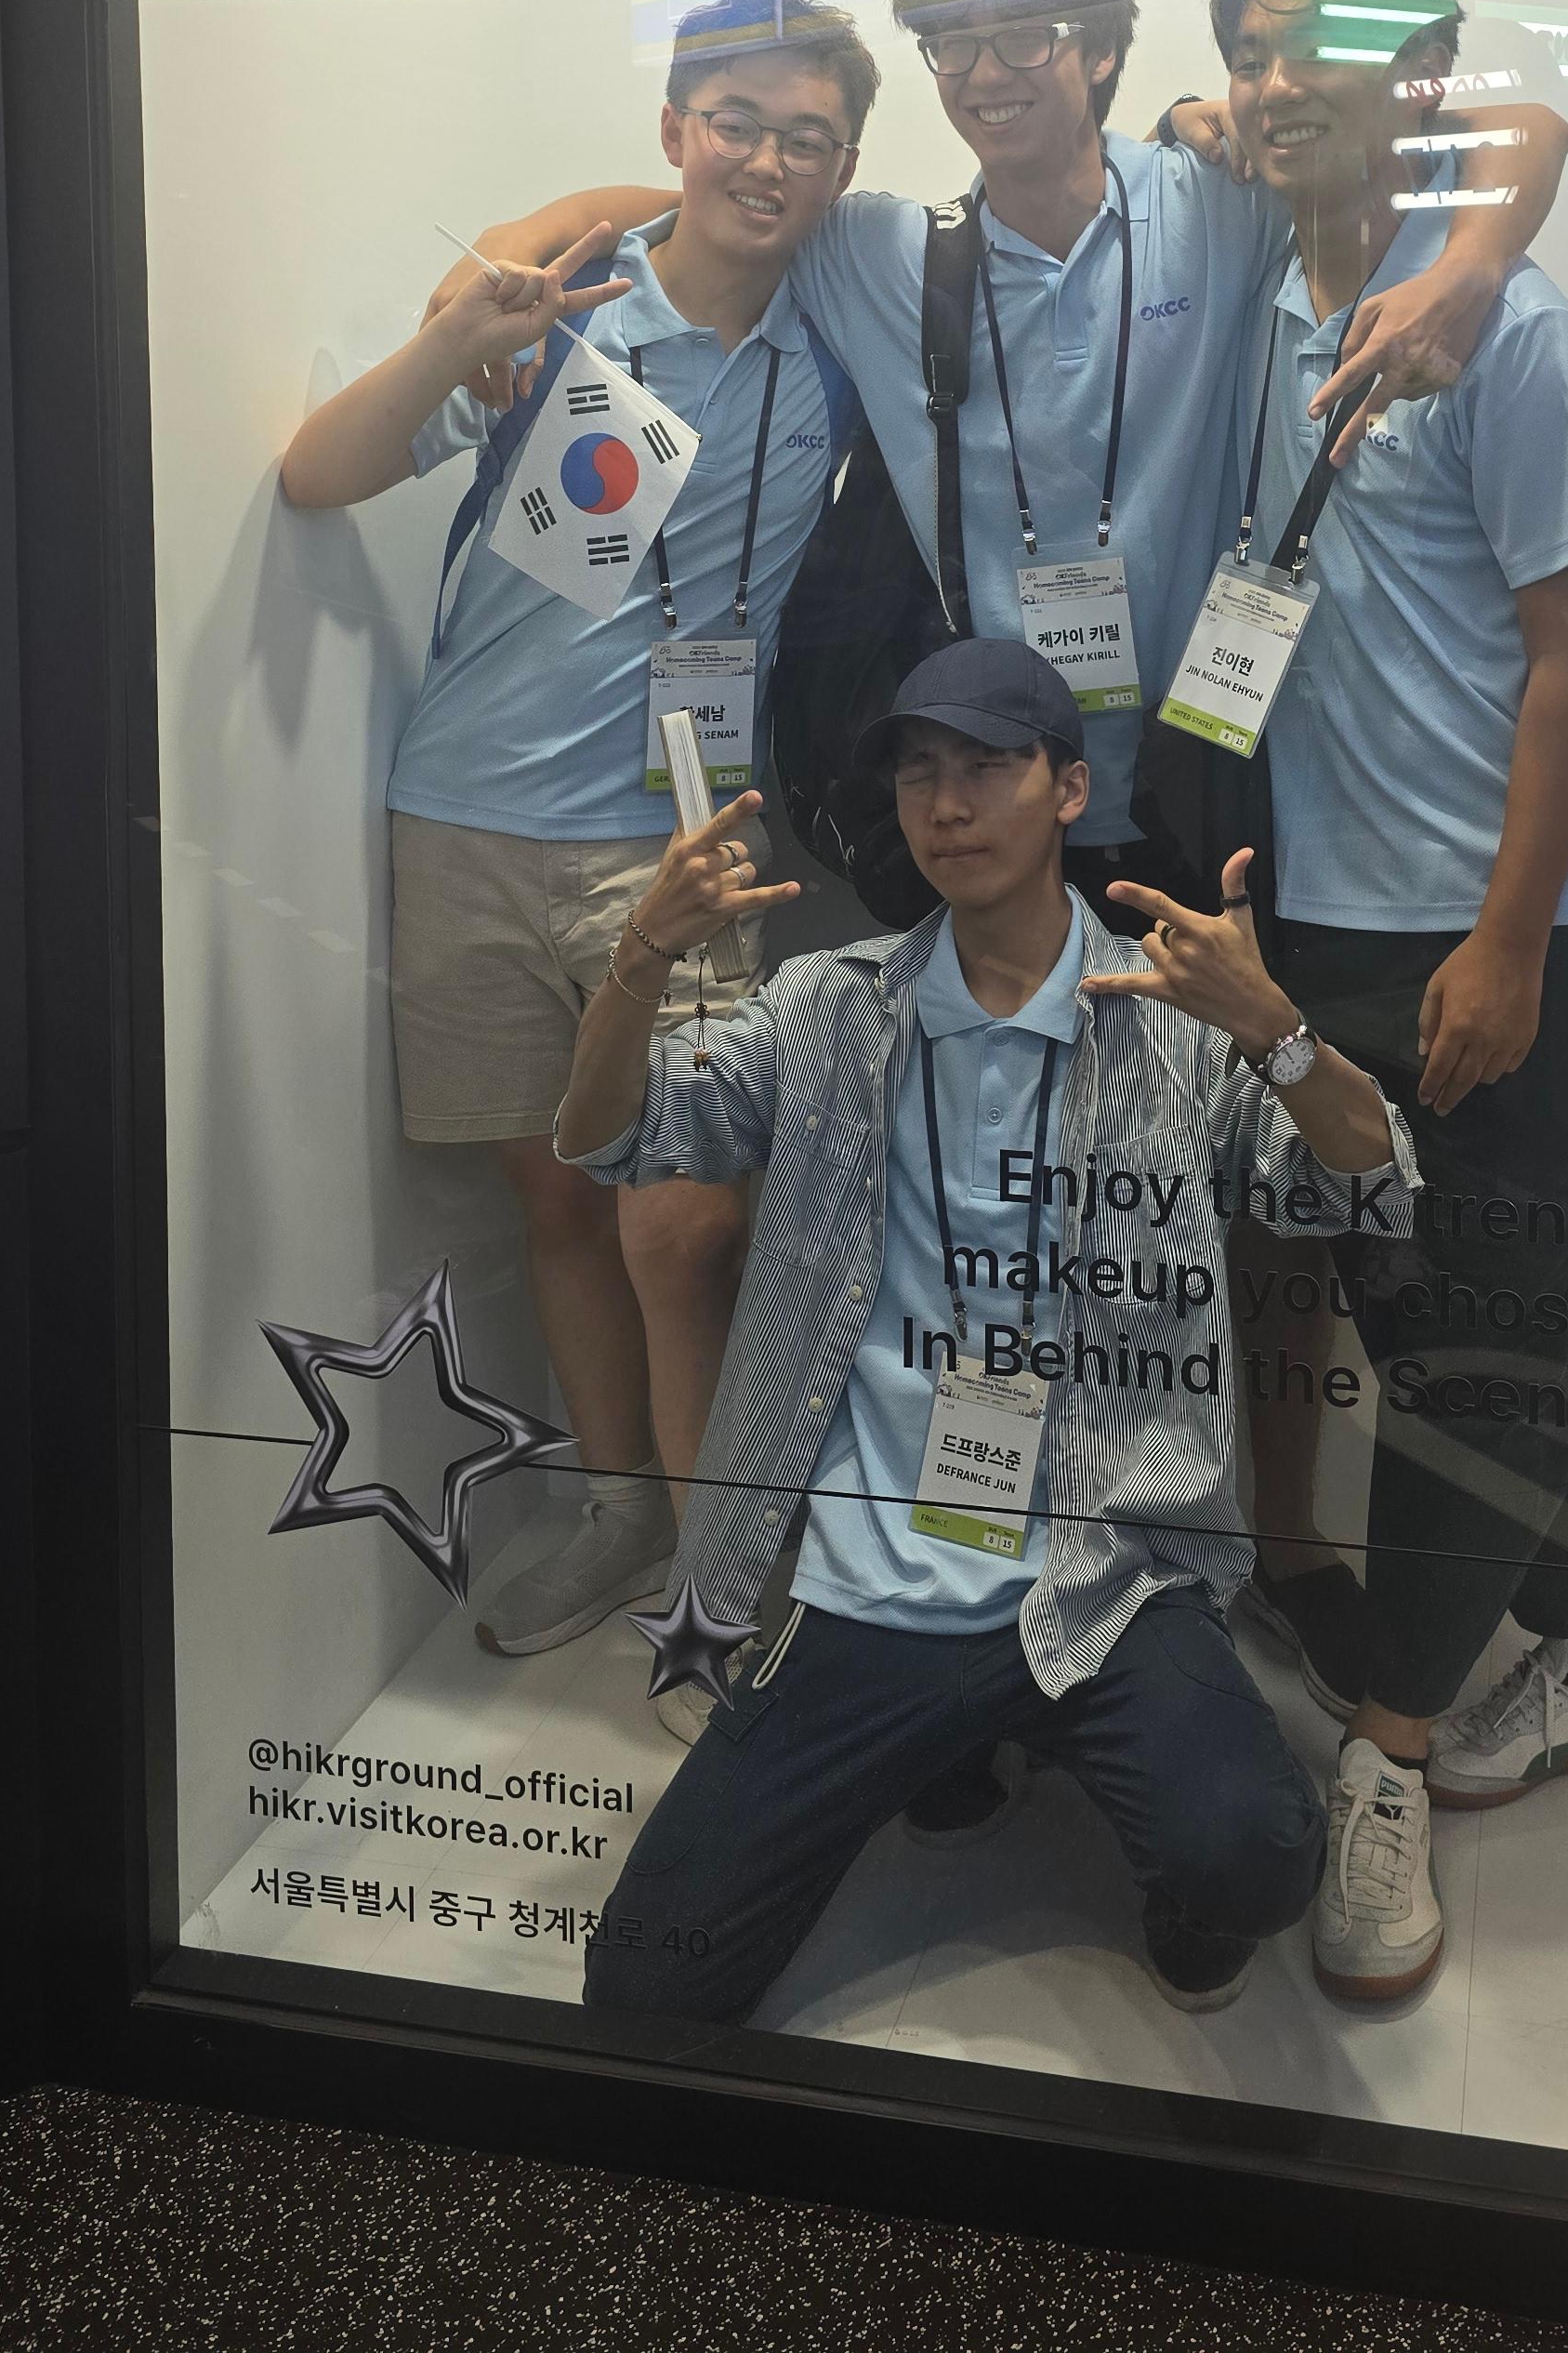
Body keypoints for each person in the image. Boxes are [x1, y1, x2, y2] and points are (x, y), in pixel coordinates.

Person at [548, 635, 1417, 2025]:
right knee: (644, 1987)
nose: (946, 804)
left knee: (1255, 1853)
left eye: (987, 767)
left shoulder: (1171, 1016)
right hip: (878, 1578)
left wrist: (1277, 1031)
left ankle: (1114, 1832)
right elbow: (609, 1137)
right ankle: (952, 1746)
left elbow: (1369, 1185)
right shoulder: (831, 1007)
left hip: (1106, 1567)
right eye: (918, 773)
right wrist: (644, 956)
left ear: (1069, 789)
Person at [433, 0, 1568, 902]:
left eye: (1025, 35)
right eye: (952, 44)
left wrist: (1471, 268)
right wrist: (520, 237)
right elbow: (726, 194)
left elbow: (1523, 128)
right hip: (983, 805)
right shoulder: (880, 252)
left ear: (1104, 49)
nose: (985, 74)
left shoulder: (1215, 199)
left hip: (1196, 787)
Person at [278, 0, 874, 1667]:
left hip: (675, 842)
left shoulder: (842, 337)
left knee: (684, 1218)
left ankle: (724, 1580)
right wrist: (462, 326)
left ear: (844, 169)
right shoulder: (561, 324)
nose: (768, 161)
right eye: (736, 123)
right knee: (554, 1206)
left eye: (808, 138)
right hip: (460, 820)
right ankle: (623, 1514)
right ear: (678, 126)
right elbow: (319, 474)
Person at [1194, 0, 1568, 2007]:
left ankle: (1387, 1756)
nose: (1281, 75)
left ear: (1428, 70)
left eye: (1328, 43)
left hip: (1525, 930)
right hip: (1338, 913)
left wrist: (1508, 941)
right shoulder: (1262, 292)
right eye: (1256, 46)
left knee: (1481, 1349)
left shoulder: (1521, 334)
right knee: (1477, 1330)